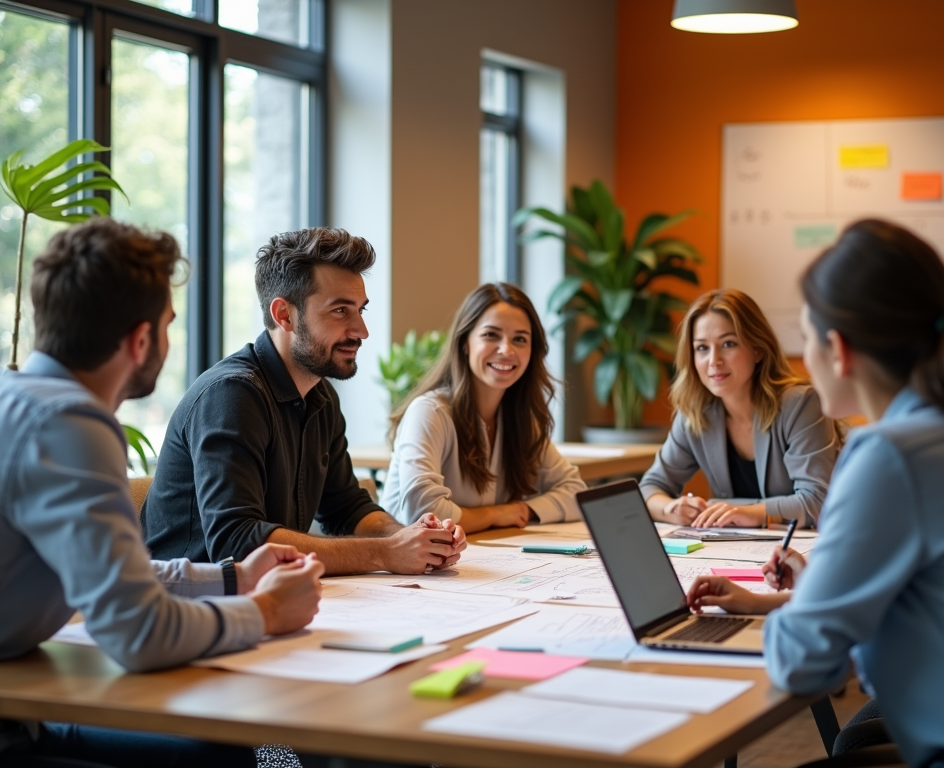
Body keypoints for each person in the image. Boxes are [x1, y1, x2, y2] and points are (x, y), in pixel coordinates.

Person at [687, 220, 944, 768]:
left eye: (806, 338)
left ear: (838, 349)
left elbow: (803, 664)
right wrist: (814, 592)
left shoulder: (891, 452)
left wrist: (816, 599)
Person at [0, 218, 325, 768]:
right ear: (142, 339)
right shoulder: (70, 424)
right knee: (262, 756)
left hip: (28, 713)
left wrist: (232, 577)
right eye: (170, 324)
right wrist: (265, 611)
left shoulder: (18, 401)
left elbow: (108, 571)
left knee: (252, 748)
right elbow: (139, 631)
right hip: (16, 735)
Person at [142, 227, 466, 575]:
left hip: (268, 598)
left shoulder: (320, 394)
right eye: (341, 311)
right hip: (193, 607)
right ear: (284, 315)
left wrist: (411, 538)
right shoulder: (231, 395)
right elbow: (237, 542)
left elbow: (345, 508)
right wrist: (385, 553)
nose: (361, 330)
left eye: (360, 310)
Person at [381, 283, 586, 533]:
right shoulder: (429, 412)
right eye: (491, 335)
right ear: (465, 342)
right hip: (408, 569)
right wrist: (496, 514)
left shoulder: (519, 419)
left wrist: (522, 511)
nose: (506, 350)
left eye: (520, 339)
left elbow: (576, 491)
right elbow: (425, 513)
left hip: (479, 559)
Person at [641, 289, 840, 529]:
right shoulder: (694, 414)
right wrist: (670, 509)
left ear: (757, 348)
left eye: (728, 344)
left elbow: (816, 501)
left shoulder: (801, 404)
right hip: (736, 552)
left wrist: (748, 512)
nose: (714, 360)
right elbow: (649, 488)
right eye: (702, 348)